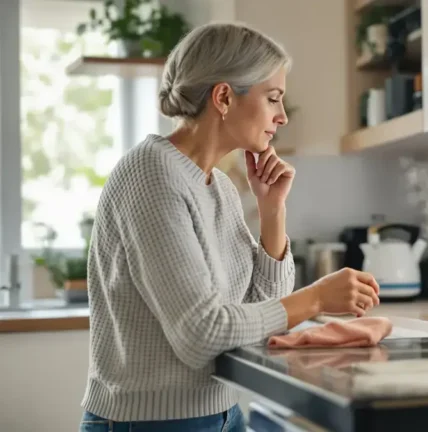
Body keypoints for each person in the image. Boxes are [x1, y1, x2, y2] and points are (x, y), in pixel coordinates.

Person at [78, 22, 380, 432]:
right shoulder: (152, 174)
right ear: (223, 97)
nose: (282, 116)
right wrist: (316, 299)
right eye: (273, 98)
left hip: (220, 413)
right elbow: (202, 335)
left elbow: (258, 311)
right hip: (149, 422)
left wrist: (272, 211)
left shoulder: (215, 183)